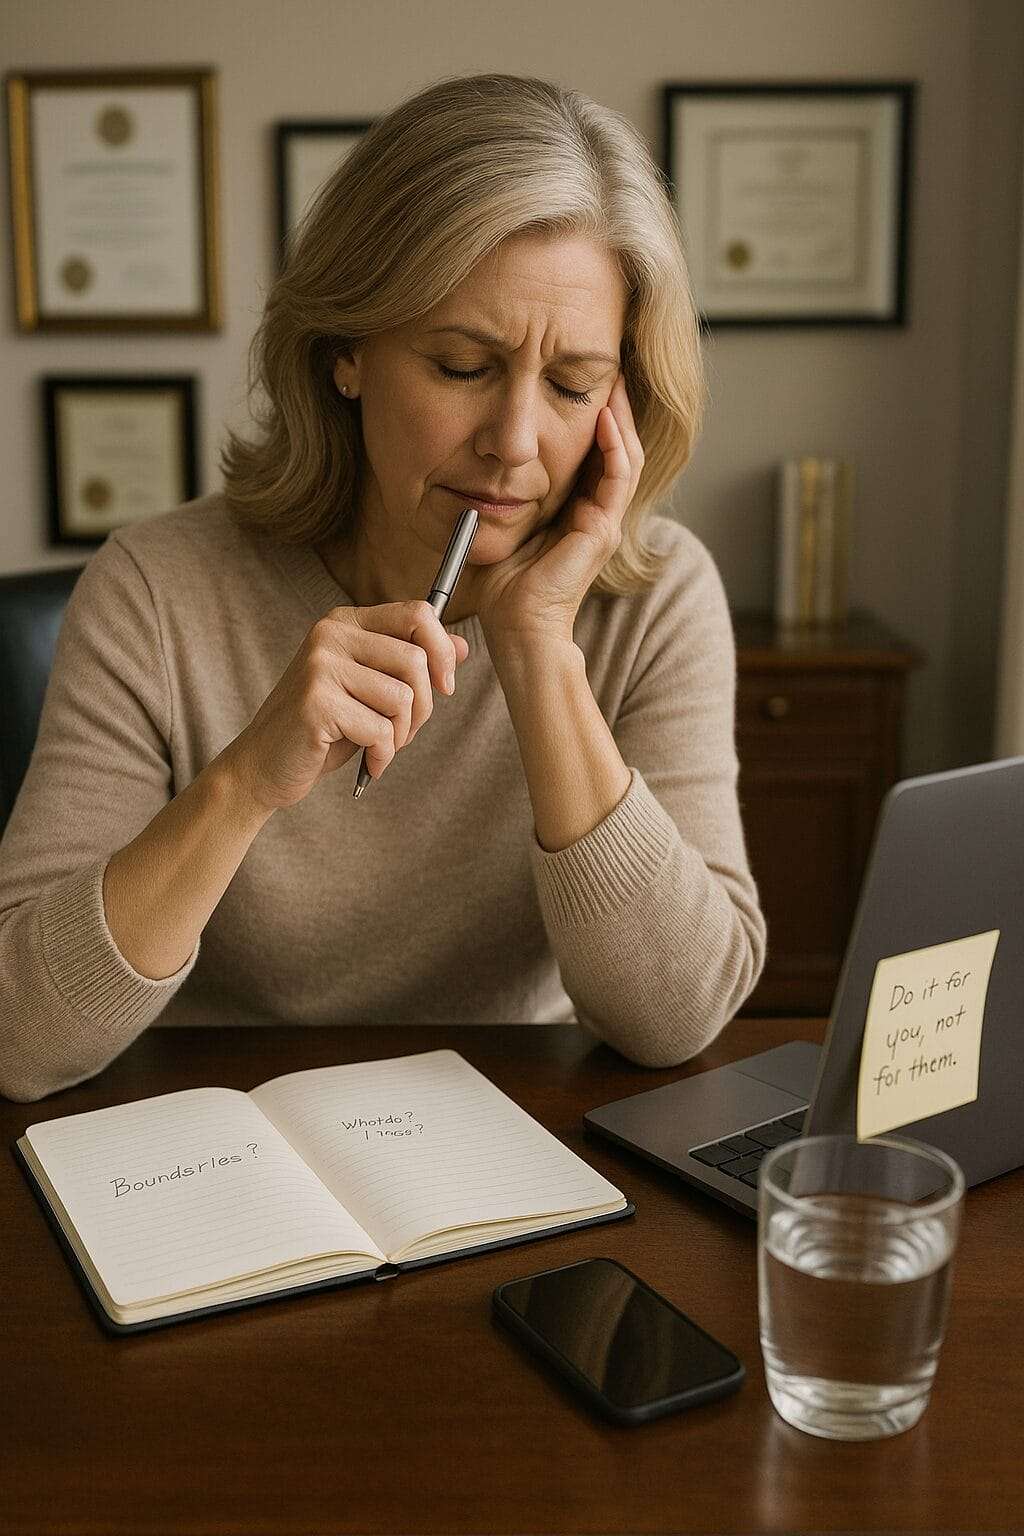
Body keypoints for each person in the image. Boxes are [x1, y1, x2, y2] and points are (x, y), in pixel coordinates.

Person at [0, 71, 766, 1103]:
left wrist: (539, 650)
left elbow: (677, 1021)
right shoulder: (155, 588)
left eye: (572, 384)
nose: (512, 443)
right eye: (460, 366)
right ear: (346, 352)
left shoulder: (661, 598)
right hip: (207, 1137)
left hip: (509, 1139)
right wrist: (246, 781)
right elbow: (18, 1035)